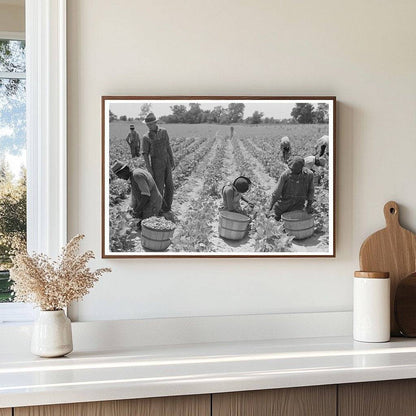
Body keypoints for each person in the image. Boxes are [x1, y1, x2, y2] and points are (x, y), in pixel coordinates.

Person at [142, 113, 175, 212]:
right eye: (148, 125)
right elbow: (145, 155)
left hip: (166, 161)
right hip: (156, 164)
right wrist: (149, 169)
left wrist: (172, 159)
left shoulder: (164, 132)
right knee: (159, 187)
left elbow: (168, 146)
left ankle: (167, 207)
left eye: (151, 124)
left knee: (170, 185)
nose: (149, 126)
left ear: (155, 123)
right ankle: (158, 208)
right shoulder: (146, 137)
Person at [269, 156, 314, 220]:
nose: (293, 171)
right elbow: (277, 193)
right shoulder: (285, 175)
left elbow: (311, 190)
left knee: (294, 226)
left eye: (296, 169)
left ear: (302, 167)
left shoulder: (309, 175)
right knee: (277, 223)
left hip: (298, 207)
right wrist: (270, 207)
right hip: (283, 206)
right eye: (292, 169)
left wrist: (309, 205)